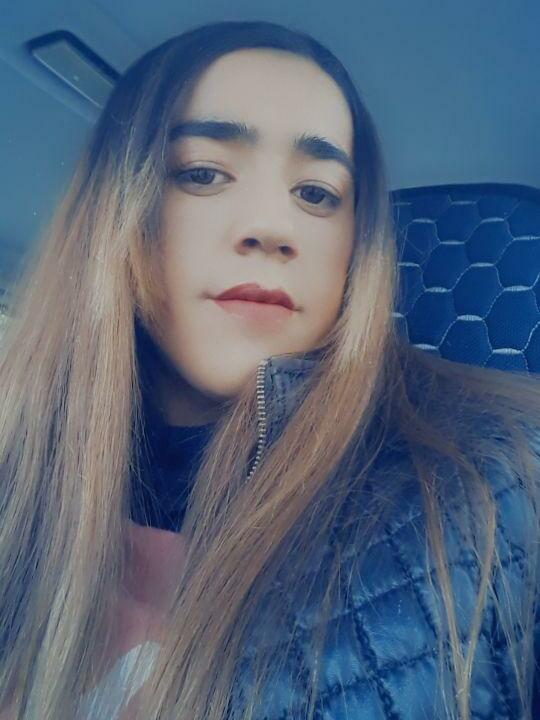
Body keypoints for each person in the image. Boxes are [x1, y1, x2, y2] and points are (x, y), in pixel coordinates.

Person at [0, 19, 538, 720]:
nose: (272, 227)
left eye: (316, 194)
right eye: (202, 173)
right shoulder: (16, 472)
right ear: (116, 214)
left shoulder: (501, 480)